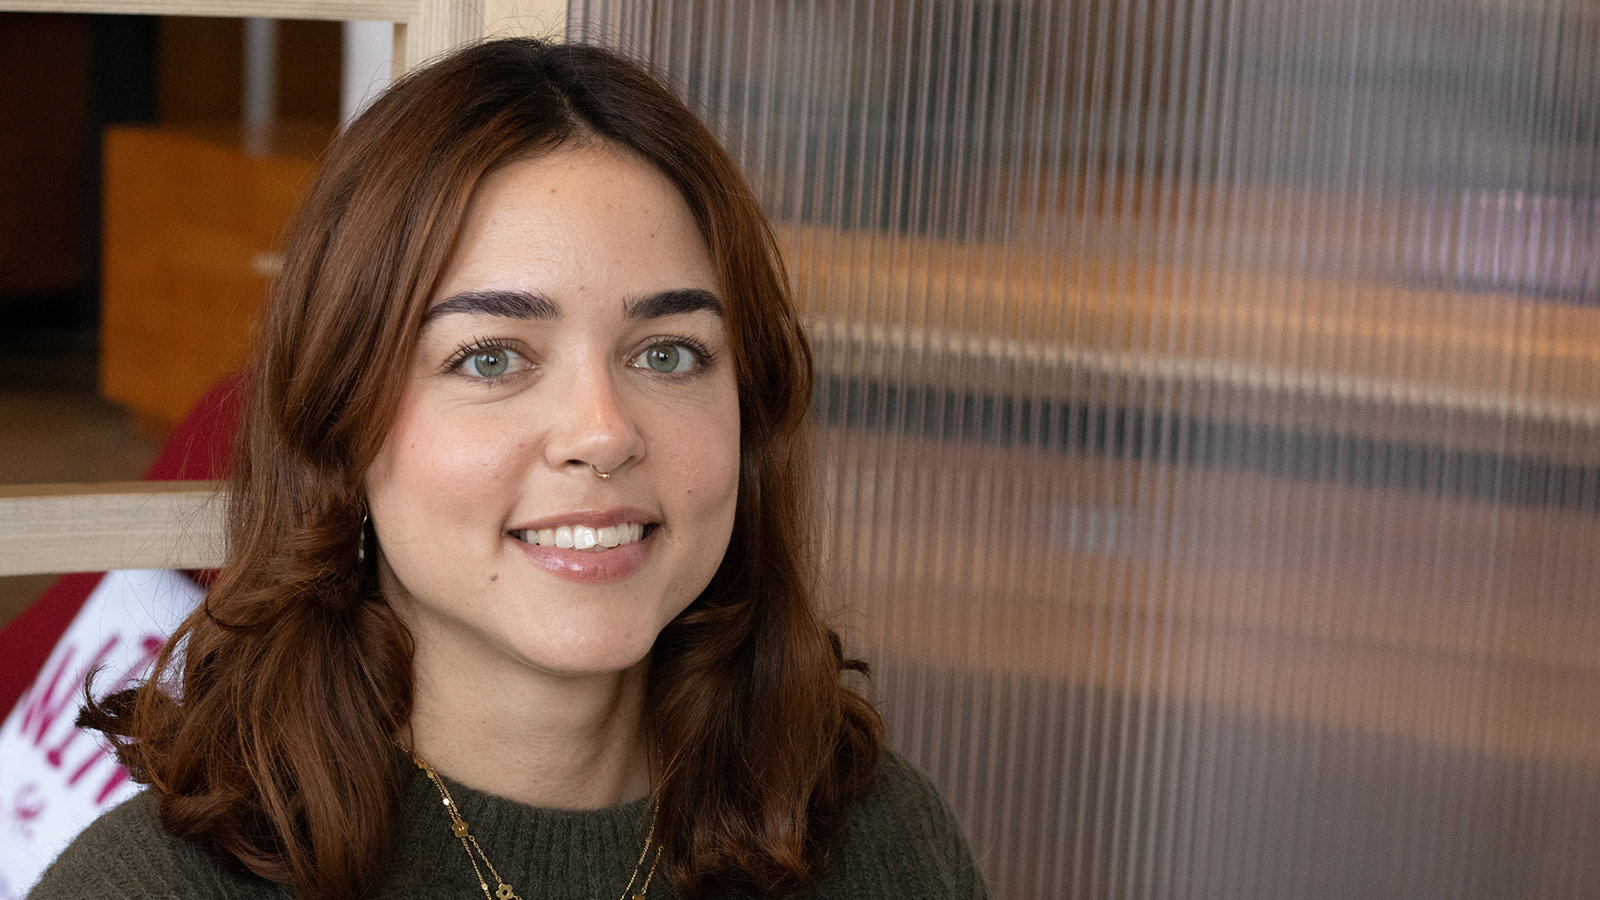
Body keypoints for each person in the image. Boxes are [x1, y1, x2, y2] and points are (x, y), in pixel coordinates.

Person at [29, 38, 986, 900]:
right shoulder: (152, 887)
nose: (602, 433)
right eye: (491, 357)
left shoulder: (878, 842)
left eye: (668, 352)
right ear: (342, 424)